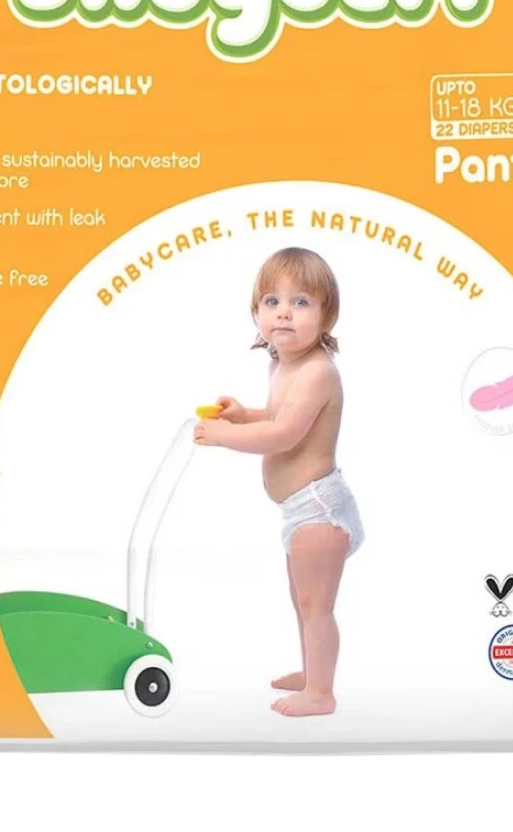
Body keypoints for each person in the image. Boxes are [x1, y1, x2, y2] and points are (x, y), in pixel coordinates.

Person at [194, 247, 363, 716]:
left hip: (319, 510)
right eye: (272, 301)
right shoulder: (282, 364)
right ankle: (312, 672)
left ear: (327, 316)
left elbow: (284, 434)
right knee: (300, 599)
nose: (284, 312)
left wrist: (225, 436)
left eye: (300, 302)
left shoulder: (318, 372)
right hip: (300, 511)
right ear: (256, 312)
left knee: (316, 605)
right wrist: (244, 415)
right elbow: (276, 415)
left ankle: (321, 693)